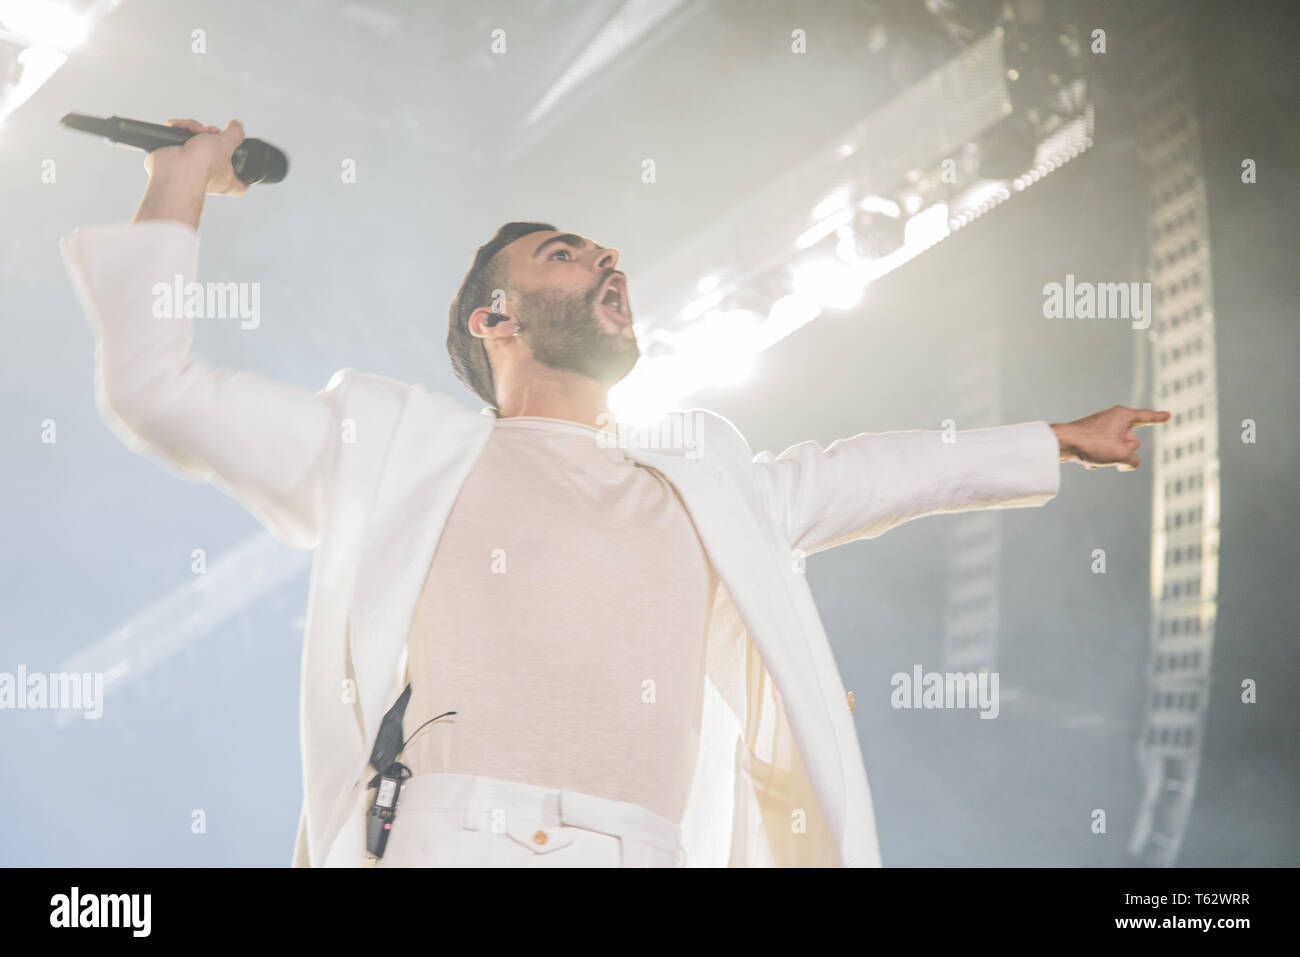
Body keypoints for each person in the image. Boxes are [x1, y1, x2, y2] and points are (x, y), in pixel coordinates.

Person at [60, 118, 1170, 867]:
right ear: (492, 321)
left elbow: (870, 471)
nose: (606, 259)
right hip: (457, 841)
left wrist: (1052, 441)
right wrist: (175, 181)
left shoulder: (704, 485)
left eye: (603, 250)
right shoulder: (394, 449)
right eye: (562, 252)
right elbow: (158, 389)